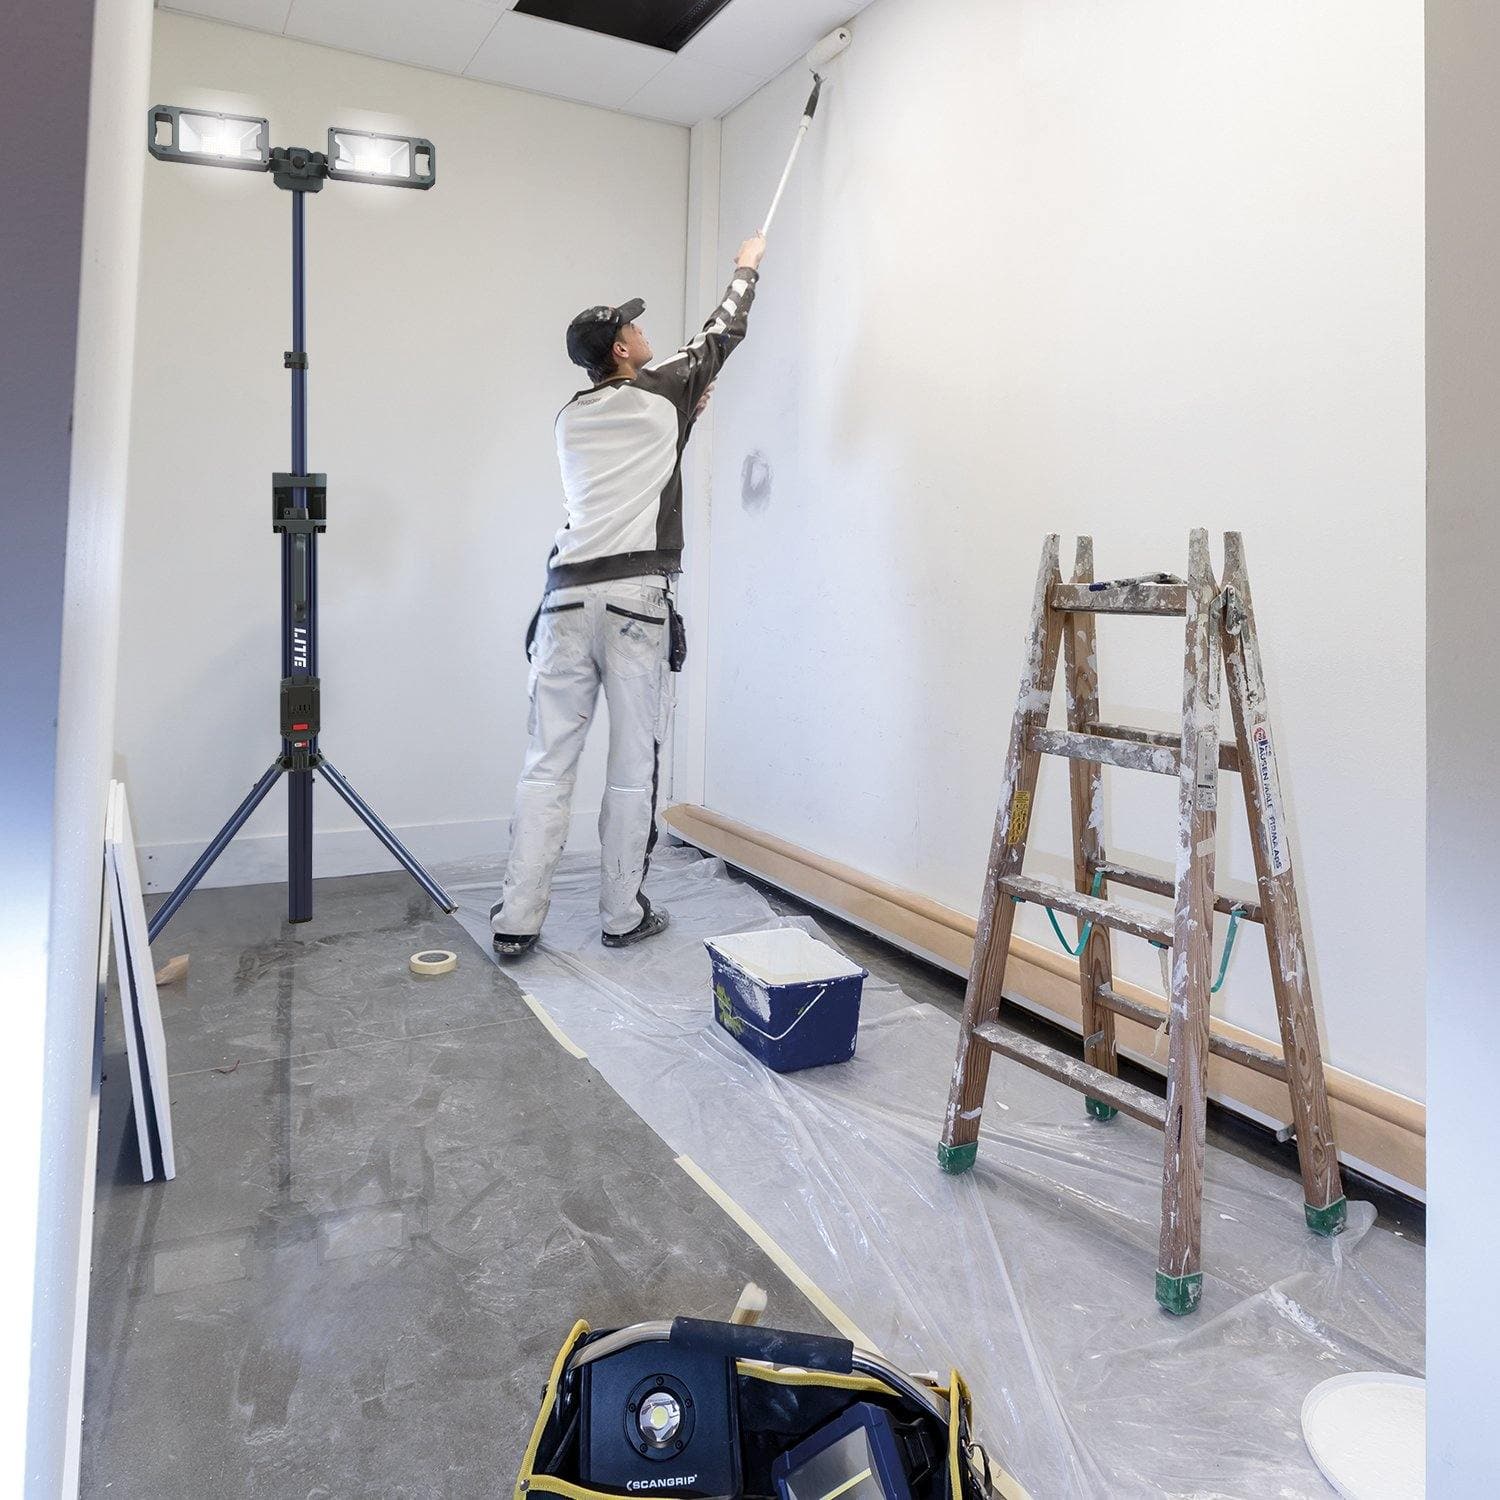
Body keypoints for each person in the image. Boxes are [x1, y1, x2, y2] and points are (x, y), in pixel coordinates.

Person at [490, 234, 768, 958]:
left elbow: (634, 470)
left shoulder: (569, 418)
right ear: (620, 349)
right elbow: (722, 332)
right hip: (633, 603)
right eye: (635, 328)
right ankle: (621, 914)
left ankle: (517, 918)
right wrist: (747, 264)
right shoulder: (661, 389)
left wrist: (683, 417)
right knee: (631, 766)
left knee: (546, 763)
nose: (645, 333)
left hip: (562, 600)